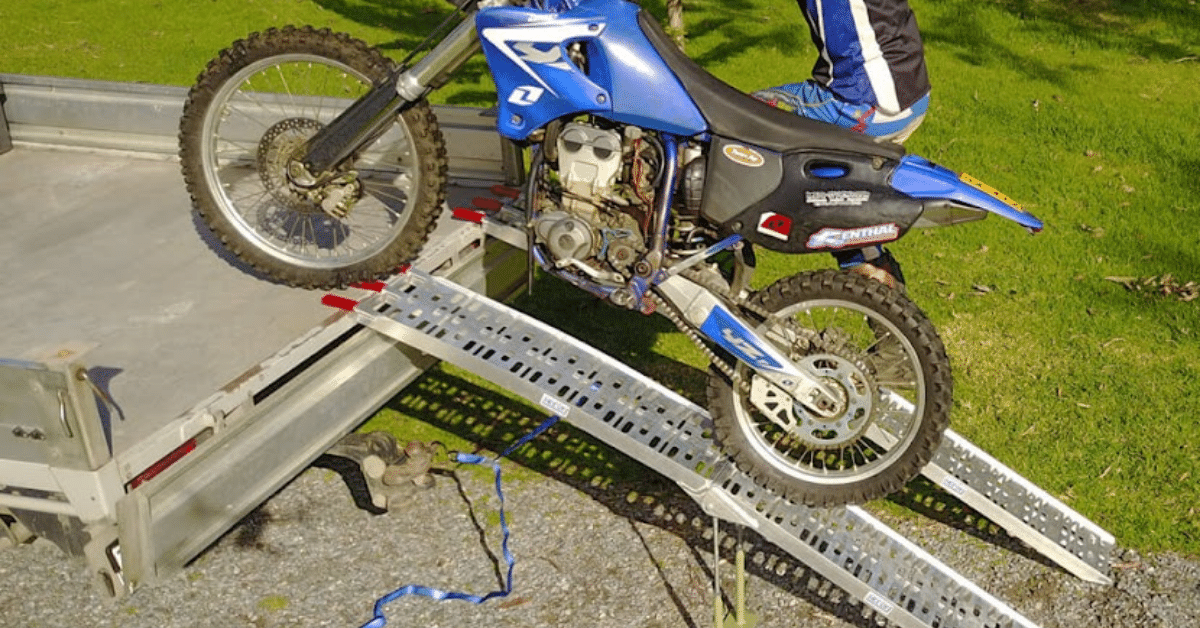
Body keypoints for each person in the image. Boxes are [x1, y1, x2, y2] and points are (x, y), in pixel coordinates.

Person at [753, 0, 931, 289]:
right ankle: (874, 274)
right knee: (827, 183)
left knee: (733, 122)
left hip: (864, 102)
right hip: (911, 92)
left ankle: (716, 261)